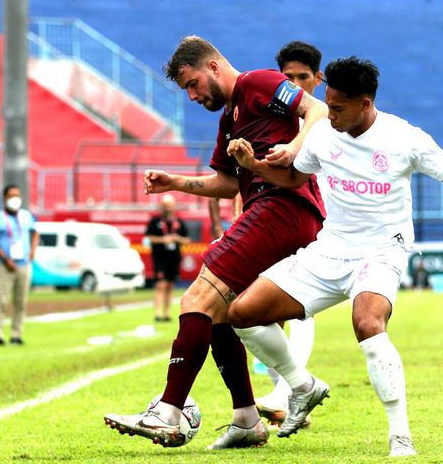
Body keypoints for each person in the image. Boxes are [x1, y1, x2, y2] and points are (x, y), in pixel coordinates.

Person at [227, 56, 443, 457]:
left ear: (366, 103)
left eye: (338, 108)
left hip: (381, 250)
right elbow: (293, 178)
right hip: (330, 249)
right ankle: (302, 387)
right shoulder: (321, 135)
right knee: (243, 314)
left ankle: (400, 436)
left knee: (367, 322)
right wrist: (251, 165)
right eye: (328, 104)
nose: (329, 115)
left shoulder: (405, 138)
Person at [103, 35, 328, 450]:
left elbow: (318, 109)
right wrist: (177, 182)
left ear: (212, 67)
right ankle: (247, 420)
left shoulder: (259, 82)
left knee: (196, 299)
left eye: (192, 84)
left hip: (283, 207)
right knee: (223, 312)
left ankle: (168, 411)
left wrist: (296, 144)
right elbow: (228, 182)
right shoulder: (230, 118)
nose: (191, 95)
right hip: (271, 210)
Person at [255, 40, 324, 429]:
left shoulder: (329, 120)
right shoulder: (272, 121)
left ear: (318, 79)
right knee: (260, 313)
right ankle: (287, 398)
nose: (296, 83)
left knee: (299, 306)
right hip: (274, 221)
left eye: (303, 77)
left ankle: (286, 392)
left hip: (318, 224)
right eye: (288, 77)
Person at [0, 185, 38, 346]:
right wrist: (5, 258)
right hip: (5, 265)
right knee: (2, 300)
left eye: (17, 195)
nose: (15, 199)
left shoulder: (26, 216)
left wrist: (32, 251)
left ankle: (16, 334)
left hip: (23, 264)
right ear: (5, 198)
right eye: (11, 196)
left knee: (21, 301)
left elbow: (35, 232)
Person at [145, 193, 191, 322]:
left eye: (170, 205)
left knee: (170, 285)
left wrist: (177, 239)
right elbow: (149, 238)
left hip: (174, 257)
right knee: (161, 284)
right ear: (161, 207)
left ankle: (166, 313)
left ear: (174, 206)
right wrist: (164, 239)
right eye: (165, 206)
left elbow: (187, 240)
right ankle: (158, 313)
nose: (168, 208)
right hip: (160, 257)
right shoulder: (155, 222)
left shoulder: (180, 222)